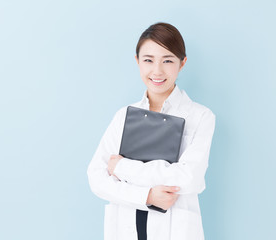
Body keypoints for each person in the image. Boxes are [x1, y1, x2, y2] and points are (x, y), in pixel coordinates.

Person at [87, 22, 216, 240]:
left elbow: (187, 178)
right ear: (137, 61)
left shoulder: (200, 117)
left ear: (182, 63)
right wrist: (147, 196)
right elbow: (96, 178)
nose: (157, 71)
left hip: (175, 230)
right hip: (125, 228)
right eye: (148, 60)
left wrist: (122, 167)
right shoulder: (123, 116)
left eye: (167, 61)